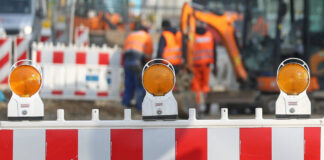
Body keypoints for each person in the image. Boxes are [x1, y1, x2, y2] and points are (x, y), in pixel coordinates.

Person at [122, 24, 153, 111]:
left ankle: (125, 105)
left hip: (127, 61)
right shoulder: (147, 37)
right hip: (138, 62)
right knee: (140, 85)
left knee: (128, 84)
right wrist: (147, 65)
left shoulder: (131, 35)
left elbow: (124, 51)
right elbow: (148, 55)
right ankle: (140, 107)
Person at [191, 21, 217, 109]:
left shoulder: (193, 36)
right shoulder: (209, 35)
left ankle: (198, 105)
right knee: (205, 85)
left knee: (196, 86)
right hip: (207, 65)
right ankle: (206, 103)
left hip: (196, 65)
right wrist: (215, 65)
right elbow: (214, 51)